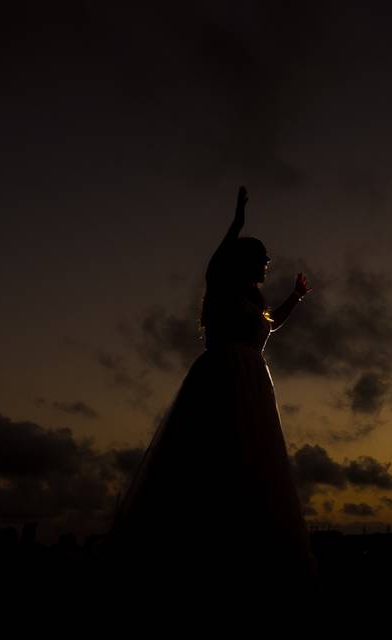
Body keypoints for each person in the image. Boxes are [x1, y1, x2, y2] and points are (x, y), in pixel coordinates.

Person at [101, 186, 317, 587]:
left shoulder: (255, 306)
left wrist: (296, 298)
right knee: (210, 453)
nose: (267, 264)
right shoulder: (221, 289)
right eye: (261, 258)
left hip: (254, 380)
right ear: (243, 261)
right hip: (221, 374)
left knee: (252, 458)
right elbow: (217, 263)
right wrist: (237, 221)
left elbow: (272, 326)